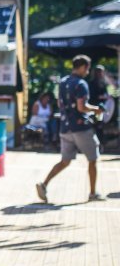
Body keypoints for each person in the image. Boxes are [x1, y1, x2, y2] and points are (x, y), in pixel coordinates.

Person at [37, 55, 105, 203]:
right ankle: (93, 193)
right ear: (82, 67)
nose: (87, 72)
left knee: (65, 161)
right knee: (93, 160)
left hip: (65, 128)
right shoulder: (81, 84)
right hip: (81, 128)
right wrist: (96, 110)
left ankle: (44, 184)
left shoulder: (63, 82)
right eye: (87, 68)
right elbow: (82, 107)